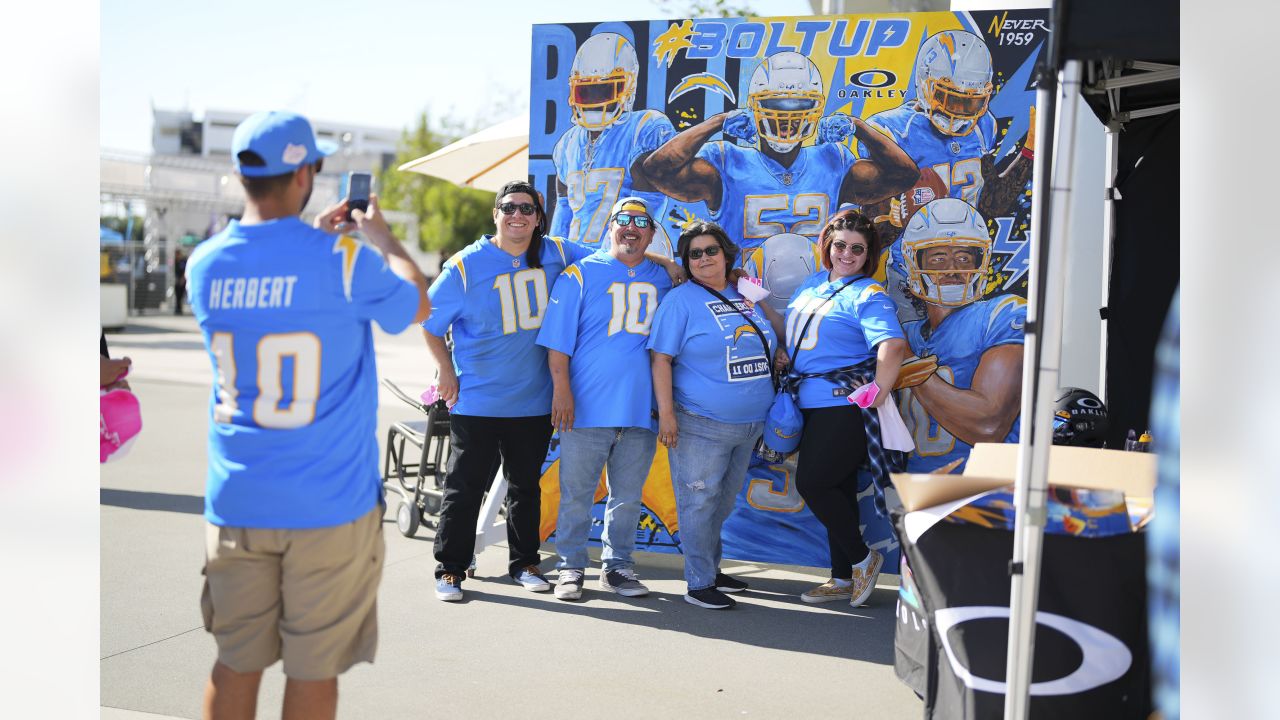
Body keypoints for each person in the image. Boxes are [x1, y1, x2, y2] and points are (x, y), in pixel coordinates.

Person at [185, 111, 430, 720]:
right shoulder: (345, 260)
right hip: (328, 504)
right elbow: (417, 302)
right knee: (313, 670)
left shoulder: (204, 265)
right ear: (304, 174)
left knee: (235, 660)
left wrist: (315, 241)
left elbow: (274, 281)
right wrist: (382, 240)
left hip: (239, 497)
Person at [422, 181, 596, 603]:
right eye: (509, 207)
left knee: (525, 488)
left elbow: (612, 260)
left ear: (538, 217)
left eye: (527, 208)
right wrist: (446, 370)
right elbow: (428, 322)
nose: (517, 215)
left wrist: (667, 264)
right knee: (465, 487)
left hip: (534, 400)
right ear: (495, 214)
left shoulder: (557, 252)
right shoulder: (466, 266)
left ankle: (525, 563)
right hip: (478, 399)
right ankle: (451, 568)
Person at [643, 51, 918, 261]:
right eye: (775, 105)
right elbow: (657, 171)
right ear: (754, 107)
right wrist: (717, 122)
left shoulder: (831, 159)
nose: (786, 118)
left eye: (799, 105)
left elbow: (905, 175)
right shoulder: (727, 160)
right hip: (746, 288)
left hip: (815, 288)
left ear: (816, 108)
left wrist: (858, 128)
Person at [536, 196, 674, 601]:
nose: (631, 227)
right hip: (586, 406)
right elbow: (557, 346)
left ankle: (617, 568)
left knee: (627, 498)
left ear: (652, 232)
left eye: (641, 221)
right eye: (623, 219)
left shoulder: (667, 278)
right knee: (576, 494)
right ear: (610, 226)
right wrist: (562, 391)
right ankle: (570, 567)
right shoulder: (580, 274)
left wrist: (671, 264)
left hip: (641, 409)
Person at [648, 222, 783, 609]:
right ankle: (699, 583)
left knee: (721, 504)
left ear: (726, 254)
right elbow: (661, 360)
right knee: (698, 503)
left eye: (711, 251)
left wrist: (752, 293)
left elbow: (777, 330)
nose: (704, 258)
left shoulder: (743, 294)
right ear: (686, 262)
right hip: (701, 425)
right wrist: (668, 416)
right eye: (695, 254)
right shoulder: (680, 301)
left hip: (750, 425)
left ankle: (710, 567)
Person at [783, 210, 906, 607]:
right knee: (835, 489)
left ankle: (862, 558)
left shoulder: (868, 293)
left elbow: (893, 345)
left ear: (868, 255)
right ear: (827, 247)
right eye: (840, 246)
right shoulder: (814, 283)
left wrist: (879, 390)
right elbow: (799, 335)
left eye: (857, 249)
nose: (847, 254)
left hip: (843, 407)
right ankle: (841, 577)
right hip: (809, 403)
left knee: (813, 483)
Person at [891, 198, 1026, 473]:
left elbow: (989, 425)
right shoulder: (906, 335)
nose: (953, 269)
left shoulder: (1003, 314)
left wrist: (908, 364)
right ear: (912, 263)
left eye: (964, 257)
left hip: (983, 494)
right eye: (938, 258)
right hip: (914, 494)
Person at [551, 32, 677, 256]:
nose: (594, 99)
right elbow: (563, 210)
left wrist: (610, 260)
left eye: (604, 89)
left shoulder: (645, 128)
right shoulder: (567, 143)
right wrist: (553, 256)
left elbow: (649, 207)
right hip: (575, 260)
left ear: (628, 87)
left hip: (626, 258)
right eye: (585, 91)